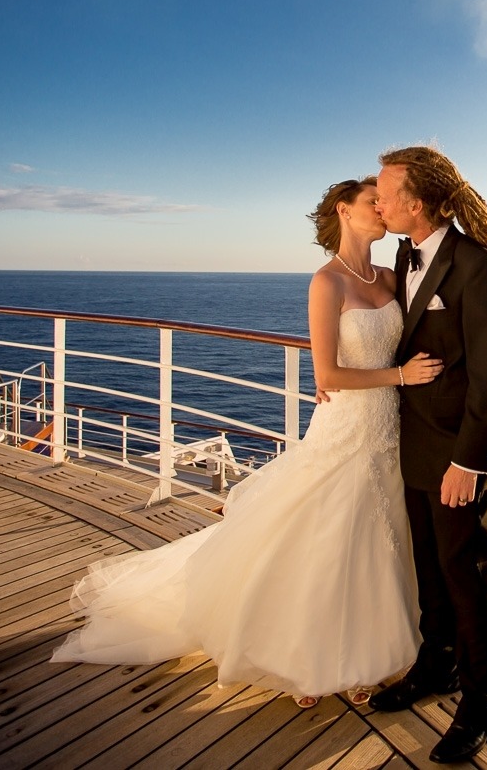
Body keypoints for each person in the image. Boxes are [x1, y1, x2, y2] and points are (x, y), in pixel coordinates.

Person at [52, 178, 445, 709]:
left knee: (379, 542)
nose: (381, 208)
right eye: (371, 200)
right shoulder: (326, 283)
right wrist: (400, 376)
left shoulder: (388, 275)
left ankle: (374, 652)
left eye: (384, 200)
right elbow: (327, 375)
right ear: (343, 211)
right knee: (328, 541)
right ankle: (309, 659)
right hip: (348, 425)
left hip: (388, 429)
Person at [367, 145, 487, 764]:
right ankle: (435, 668)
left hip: (459, 459)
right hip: (413, 448)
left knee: (468, 579)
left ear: (418, 201)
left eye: (385, 192)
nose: (377, 201)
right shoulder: (404, 256)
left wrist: (468, 463)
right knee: (429, 574)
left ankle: (486, 697)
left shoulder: (474, 265)